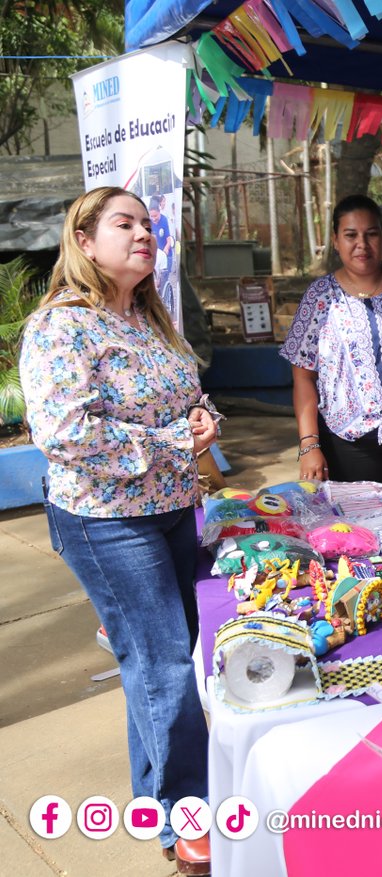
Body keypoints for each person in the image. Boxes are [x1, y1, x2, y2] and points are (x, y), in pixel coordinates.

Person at [21, 187, 219, 873]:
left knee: (161, 661)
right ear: (83, 241)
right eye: (124, 224)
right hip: (106, 521)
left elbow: (188, 392)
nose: (144, 233)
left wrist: (203, 418)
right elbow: (64, 433)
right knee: (163, 660)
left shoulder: (149, 315)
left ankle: (158, 801)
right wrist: (172, 441)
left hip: (170, 507)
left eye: (148, 224)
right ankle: (187, 817)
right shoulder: (61, 326)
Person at [281, 194, 382, 482]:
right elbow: (303, 376)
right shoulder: (320, 296)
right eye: (351, 235)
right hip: (347, 442)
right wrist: (309, 445)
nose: (362, 245)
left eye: (371, 234)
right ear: (335, 239)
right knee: (358, 523)